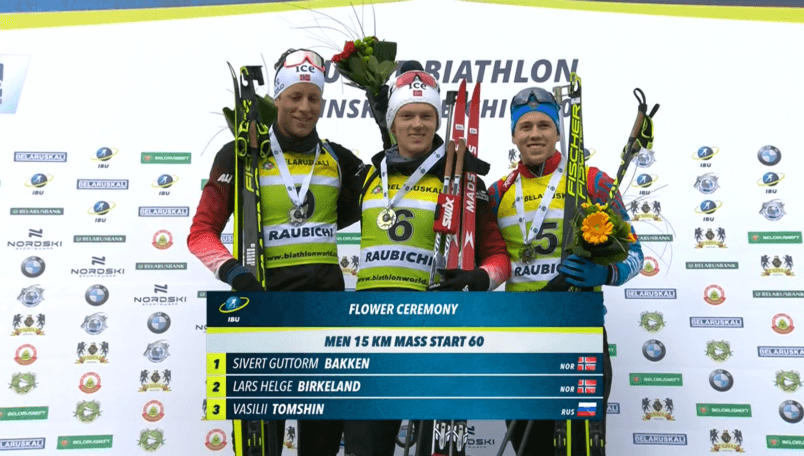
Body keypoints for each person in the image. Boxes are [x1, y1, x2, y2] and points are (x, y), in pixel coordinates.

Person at [188, 48, 366, 456]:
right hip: (265, 306)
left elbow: (388, 194)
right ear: (278, 97)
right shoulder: (241, 154)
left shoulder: (338, 157)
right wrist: (237, 274)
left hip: (324, 315)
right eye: (295, 96)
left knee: (321, 444)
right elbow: (200, 234)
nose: (305, 107)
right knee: (261, 444)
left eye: (314, 98)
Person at [347, 67, 511, 456]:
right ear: (392, 123)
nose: (417, 124)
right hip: (371, 331)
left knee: (437, 449)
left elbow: (500, 258)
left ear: (438, 121)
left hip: (435, 327)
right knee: (365, 446)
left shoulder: (466, 182)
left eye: (426, 115)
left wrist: (479, 278)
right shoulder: (367, 177)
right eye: (407, 115)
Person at [487, 87, 643, 455]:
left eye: (544, 125)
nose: (535, 134)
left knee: (581, 447)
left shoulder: (592, 181)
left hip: (577, 328)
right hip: (520, 334)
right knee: (529, 447)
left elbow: (635, 255)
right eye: (525, 127)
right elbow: (493, 258)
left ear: (558, 132)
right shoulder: (497, 192)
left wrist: (603, 274)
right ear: (513, 136)